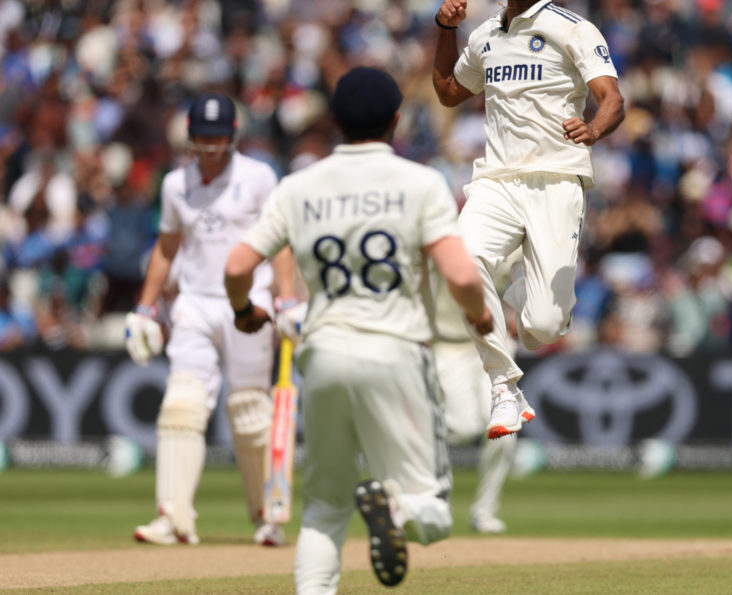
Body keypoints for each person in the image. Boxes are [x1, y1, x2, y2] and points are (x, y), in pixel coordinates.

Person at [223, 66, 493, 592]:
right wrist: (480, 315)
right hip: (397, 352)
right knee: (431, 511)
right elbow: (461, 276)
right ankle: (393, 506)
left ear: (334, 120)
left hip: (323, 353)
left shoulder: (298, 186)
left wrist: (243, 311)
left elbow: (237, 267)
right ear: (396, 120)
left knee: (324, 504)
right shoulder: (420, 182)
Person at [432, 0, 625, 439]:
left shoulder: (572, 28)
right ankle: (503, 385)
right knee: (459, 264)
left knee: (541, 328)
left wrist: (593, 128)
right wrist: (444, 30)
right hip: (496, 180)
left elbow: (612, 99)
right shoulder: (485, 36)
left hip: (556, 179)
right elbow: (449, 92)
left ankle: (524, 283)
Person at [124, 93, 303, 547]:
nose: (210, 146)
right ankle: (173, 518)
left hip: (249, 303)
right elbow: (166, 248)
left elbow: (280, 241)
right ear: (190, 137)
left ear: (233, 136)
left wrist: (286, 300)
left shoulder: (258, 176)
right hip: (195, 302)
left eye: (218, 137)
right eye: (203, 137)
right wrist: (145, 308)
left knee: (249, 410)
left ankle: (267, 516)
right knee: (181, 403)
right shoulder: (174, 184)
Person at [429, 266, 515, 534]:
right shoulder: (438, 241)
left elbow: (525, 279)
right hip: (448, 345)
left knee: (504, 429)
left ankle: (484, 512)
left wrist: (522, 315)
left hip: (492, 342)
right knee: (463, 429)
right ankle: (424, 480)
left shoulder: (508, 242)